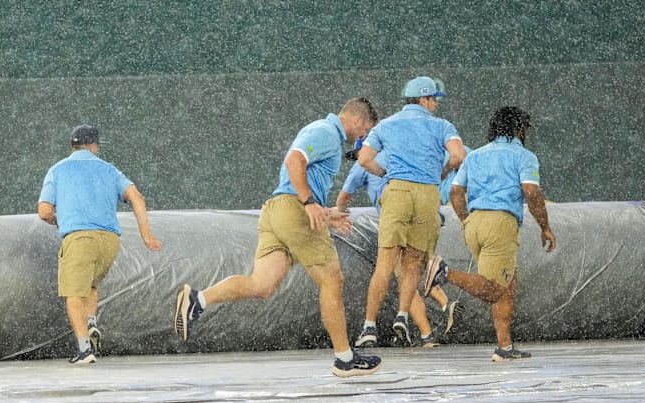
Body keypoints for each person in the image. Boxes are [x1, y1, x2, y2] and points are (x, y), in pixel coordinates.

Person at [174, 97, 383, 378]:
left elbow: (298, 175)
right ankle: (344, 359)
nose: (362, 138)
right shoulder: (326, 132)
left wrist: (324, 211)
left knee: (262, 285)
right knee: (332, 279)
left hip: (276, 211)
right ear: (358, 121)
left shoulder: (323, 132)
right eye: (365, 131)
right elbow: (294, 160)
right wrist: (308, 203)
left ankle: (198, 300)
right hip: (293, 209)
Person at [423, 106, 556, 361]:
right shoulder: (524, 156)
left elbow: (455, 193)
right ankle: (445, 273)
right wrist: (545, 227)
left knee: (507, 287)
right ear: (520, 129)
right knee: (495, 289)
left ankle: (504, 348)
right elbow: (531, 192)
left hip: (474, 222)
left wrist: (466, 222)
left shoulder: (475, 156)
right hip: (500, 223)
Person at [38, 124, 162, 364]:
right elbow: (136, 196)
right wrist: (146, 234)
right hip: (109, 241)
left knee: (73, 294)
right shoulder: (109, 170)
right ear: (94, 145)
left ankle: (84, 350)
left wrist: (58, 220)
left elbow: (43, 212)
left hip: (79, 237)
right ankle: (92, 321)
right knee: (91, 286)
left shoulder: (58, 170)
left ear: (71, 146)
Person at [355, 76, 465, 347]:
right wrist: (442, 172)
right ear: (424, 99)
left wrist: (385, 173)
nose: (436, 105)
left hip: (397, 192)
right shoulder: (442, 126)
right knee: (414, 264)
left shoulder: (386, 125)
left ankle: (369, 327)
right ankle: (402, 316)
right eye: (434, 99)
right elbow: (459, 155)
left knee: (385, 264)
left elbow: (364, 159)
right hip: (428, 193)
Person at [336, 142, 464, 348]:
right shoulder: (404, 152)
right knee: (413, 270)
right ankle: (433, 320)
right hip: (428, 215)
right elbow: (456, 159)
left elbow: (343, 198)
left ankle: (414, 329)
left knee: (401, 276)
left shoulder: (363, 164)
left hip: (396, 219)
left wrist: (339, 216)